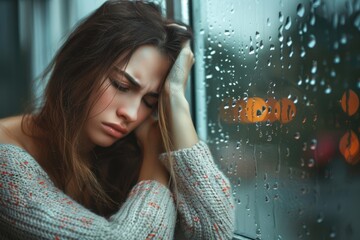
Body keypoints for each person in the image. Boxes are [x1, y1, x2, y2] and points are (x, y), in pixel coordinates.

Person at [0, 0, 235, 239]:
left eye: (149, 102)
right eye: (121, 85)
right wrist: (154, 150)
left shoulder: (126, 150)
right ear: (80, 65)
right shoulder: (5, 160)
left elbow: (215, 232)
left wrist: (176, 101)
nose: (132, 114)